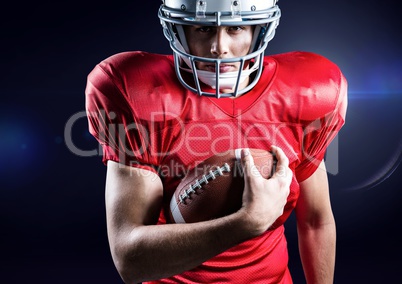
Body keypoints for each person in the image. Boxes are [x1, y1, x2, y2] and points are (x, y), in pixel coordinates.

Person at [85, 0, 347, 283]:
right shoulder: (137, 92)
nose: (218, 47)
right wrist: (246, 222)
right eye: (202, 28)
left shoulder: (307, 94)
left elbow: (315, 222)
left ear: (260, 29)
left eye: (235, 28)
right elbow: (130, 259)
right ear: (177, 29)